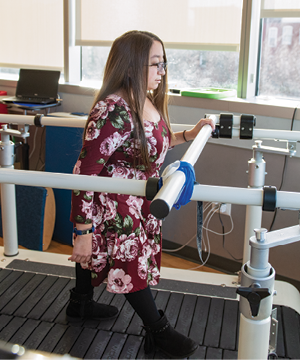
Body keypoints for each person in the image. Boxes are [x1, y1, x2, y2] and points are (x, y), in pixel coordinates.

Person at [67, 30, 216, 358]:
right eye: (155, 63)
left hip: (139, 201)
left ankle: (80, 303)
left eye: (164, 63)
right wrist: (82, 230)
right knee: (129, 265)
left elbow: (150, 145)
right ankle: (158, 330)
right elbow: (85, 173)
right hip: (113, 205)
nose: (163, 71)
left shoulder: (146, 100)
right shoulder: (113, 109)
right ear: (133, 66)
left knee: (106, 258)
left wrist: (189, 134)